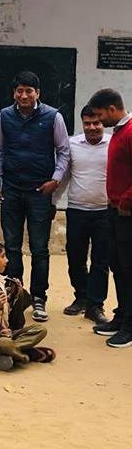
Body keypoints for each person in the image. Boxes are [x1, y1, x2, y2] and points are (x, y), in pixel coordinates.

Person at [0, 71, 70, 322]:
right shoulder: (4, 116)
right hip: (12, 190)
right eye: (20, 91)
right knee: (12, 247)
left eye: (29, 91)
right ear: (14, 93)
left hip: (39, 192)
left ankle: (38, 298)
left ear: (38, 93)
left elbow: (64, 151)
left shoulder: (53, 116)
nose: (24, 95)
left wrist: (55, 180)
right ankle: (17, 295)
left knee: (39, 248)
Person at [56, 105, 110, 324]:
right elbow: (64, 176)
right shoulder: (72, 144)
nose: (92, 127)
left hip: (105, 212)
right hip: (77, 210)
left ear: (103, 123)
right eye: (87, 123)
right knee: (75, 257)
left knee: (101, 261)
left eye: (96, 123)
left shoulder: (112, 144)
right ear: (82, 124)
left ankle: (96, 305)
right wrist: (53, 201)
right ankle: (81, 297)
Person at [89, 88, 132, 348]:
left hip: (127, 212)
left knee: (128, 268)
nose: (98, 120)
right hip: (114, 211)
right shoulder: (118, 131)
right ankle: (122, 315)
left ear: (112, 109)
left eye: (100, 114)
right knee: (117, 265)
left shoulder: (130, 132)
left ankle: (130, 326)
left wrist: (126, 201)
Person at [0, 241, 54, 366]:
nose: (7, 260)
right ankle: (22, 352)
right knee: (5, 350)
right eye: (2, 257)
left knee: (40, 329)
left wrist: (17, 294)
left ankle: (12, 351)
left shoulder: (3, 281)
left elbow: (12, 314)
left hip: (7, 333)